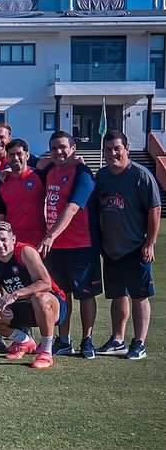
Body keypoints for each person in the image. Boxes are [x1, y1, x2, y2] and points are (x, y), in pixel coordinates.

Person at [93, 129, 160, 360]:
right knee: (117, 295)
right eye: (108, 149)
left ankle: (139, 343)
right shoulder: (102, 176)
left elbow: (155, 209)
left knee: (140, 296)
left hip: (136, 247)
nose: (113, 153)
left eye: (117, 149)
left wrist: (150, 243)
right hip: (111, 249)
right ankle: (117, 339)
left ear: (127, 150)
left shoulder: (140, 175)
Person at [36, 130, 102, 358]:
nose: (59, 152)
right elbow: (35, 164)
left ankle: (87, 340)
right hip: (57, 248)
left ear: (73, 149)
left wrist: (50, 236)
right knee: (62, 295)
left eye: (63, 147)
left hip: (81, 245)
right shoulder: (50, 171)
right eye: (54, 148)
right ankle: (64, 340)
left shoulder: (83, 173)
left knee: (85, 294)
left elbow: (72, 208)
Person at [0, 221, 66, 370]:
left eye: (4, 240)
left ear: (13, 239)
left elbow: (46, 284)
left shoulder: (25, 252)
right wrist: (0, 309)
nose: (0, 245)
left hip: (51, 305)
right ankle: (24, 341)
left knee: (39, 298)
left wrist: (16, 294)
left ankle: (46, 352)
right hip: (22, 306)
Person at [0, 138, 47, 246]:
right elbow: (0, 214)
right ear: (7, 157)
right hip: (13, 242)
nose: (15, 158)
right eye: (11, 155)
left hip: (39, 241)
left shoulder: (40, 176)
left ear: (27, 155)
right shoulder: (2, 182)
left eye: (19, 154)